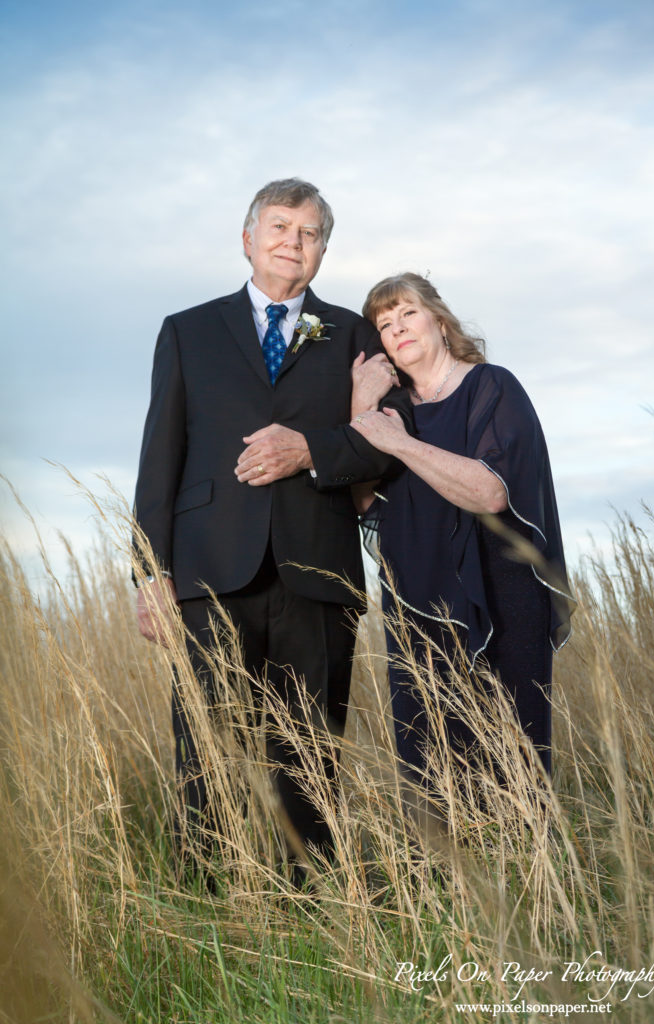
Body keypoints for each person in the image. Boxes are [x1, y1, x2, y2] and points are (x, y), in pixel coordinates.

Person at [133, 179, 409, 880]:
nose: (294, 241)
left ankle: (307, 898)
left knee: (310, 748)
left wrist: (312, 449)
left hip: (316, 570)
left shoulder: (352, 334)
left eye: (310, 232)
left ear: (321, 249)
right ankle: (203, 896)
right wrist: (148, 575)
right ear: (249, 238)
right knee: (205, 747)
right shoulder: (187, 330)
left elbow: (385, 443)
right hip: (207, 569)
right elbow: (160, 458)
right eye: (280, 227)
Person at [349, 272, 573, 788]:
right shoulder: (390, 410)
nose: (398, 328)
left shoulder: (491, 386)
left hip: (501, 589)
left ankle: (526, 867)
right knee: (425, 760)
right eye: (385, 324)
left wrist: (400, 444)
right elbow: (362, 499)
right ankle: (443, 871)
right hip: (414, 596)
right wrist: (361, 405)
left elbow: (490, 492)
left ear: (440, 321)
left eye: (408, 313)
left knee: (511, 756)